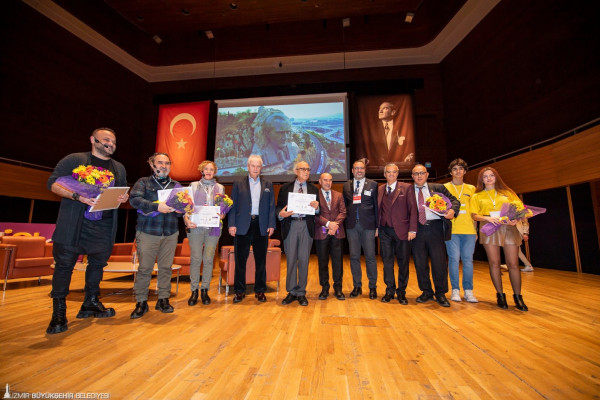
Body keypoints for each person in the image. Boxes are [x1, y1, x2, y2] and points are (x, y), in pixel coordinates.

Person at [46, 127, 128, 334]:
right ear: (93, 140)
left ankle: (90, 302)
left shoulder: (118, 168)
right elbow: (53, 184)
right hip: (74, 224)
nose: (111, 144)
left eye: (114, 142)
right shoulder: (75, 160)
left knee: (98, 265)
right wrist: (78, 197)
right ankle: (58, 312)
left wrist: (123, 197)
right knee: (64, 266)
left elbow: (120, 191)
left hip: (104, 225)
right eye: (106, 140)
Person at [129, 153, 181, 318]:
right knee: (145, 268)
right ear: (152, 164)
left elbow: (184, 208)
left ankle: (163, 299)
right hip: (148, 232)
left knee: (166, 268)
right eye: (160, 163)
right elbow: (134, 200)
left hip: (170, 232)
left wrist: (182, 209)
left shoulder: (176, 185)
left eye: (167, 163)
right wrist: (156, 207)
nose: (164, 166)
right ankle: (141, 302)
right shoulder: (143, 182)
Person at [470, 167, 529, 311]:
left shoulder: (508, 193)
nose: (489, 178)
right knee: (494, 263)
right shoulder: (477, 196)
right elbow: (474, 215)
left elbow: (521, 210)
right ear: (481, 180)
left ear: (496, 177)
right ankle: (500, 295)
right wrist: (487, 218)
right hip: (489, 227)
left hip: (508, 228)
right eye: (485, 176)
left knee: (513, 264)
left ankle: (518, 297)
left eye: (491, 175)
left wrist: (515, 219)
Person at [409, 164, 460, 307]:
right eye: (416, 174)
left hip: (436, 228)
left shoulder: (438, 188)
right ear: (412, 176)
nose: (419, 176)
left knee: (439, 262)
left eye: (422, 173)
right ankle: (426, 291)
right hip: (417, 230)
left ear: (427, 175)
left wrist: (453, 211)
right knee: (420, 263)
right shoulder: (408, 191)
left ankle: (440, 293)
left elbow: (455, 201)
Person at [228, 155, 276, 303]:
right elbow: (232, 205)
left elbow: (271, 206)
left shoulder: (268, 184)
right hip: (242, 226)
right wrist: (231, 224)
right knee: (240, 261)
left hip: (261, 226)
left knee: (261, 261)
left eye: (258, 166)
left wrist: (271, 224)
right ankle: (239, 291)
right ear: (248, 167)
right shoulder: (238, 183)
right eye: (253, 166)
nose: (255, 169)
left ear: (261, 168)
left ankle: (260, 291)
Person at [184, 160, 228, 306]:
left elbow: (222, 207)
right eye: (206, 169)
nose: (208, 171)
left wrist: (222, 214)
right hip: (196, 226)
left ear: (214, 172)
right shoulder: (193, 185)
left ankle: (205, 290)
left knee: (208, 259)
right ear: (202, 170)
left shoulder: (220, 188)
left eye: (211, 169)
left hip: (213, 228)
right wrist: (186, 219)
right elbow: (187, 206)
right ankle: (194, 291)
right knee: (196, 259)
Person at [276, 161, 320, 306]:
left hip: (306, 226)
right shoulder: (285, 188)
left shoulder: (313, 189)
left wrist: (317, 207)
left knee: (304, 260)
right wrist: (281, 214)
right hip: (291, 225)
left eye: (308, 169)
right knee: (291, 260)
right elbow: (278, 208)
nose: (306, 172)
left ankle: (301, 292)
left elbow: (318, 210)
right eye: (303, 169)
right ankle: (291, 291)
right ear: (296, 171)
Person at [377, 163, 417, 305]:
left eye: (394, 172)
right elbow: (377, 210)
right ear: (384, 174)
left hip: (403, 231)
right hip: (384, 231)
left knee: (403, 263)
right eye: (388, 172)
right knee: (387, 262)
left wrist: (412, 229)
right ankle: (389, 290)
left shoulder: (407, 188)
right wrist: (377, 227)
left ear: (397, 173)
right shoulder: (380, 189)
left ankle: (401, 292)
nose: (391, 174)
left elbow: (413, 209)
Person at [343, 160, 379, 299]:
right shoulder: (346, 185)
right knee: (354, 257)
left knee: (370, 257)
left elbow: (376, 206)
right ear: (352, 170)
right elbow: (345, 206)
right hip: (352, 226)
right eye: (356, 168)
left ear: (365, 170)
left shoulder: (373, 184)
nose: (359, 170)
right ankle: (357, 286)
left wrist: (377, 226)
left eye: (361, 168)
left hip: (368, 226)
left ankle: (372, 287)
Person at [444, 159, 478, 303]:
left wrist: (475, 230)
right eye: (455, 169)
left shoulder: (471, 189)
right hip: (452, 230)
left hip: (469, 230)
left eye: (460, 169)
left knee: (468, 260)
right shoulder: (444, 187)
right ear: (451, 172)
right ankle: (455, 290)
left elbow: (474, 211)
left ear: (465, 171)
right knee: (453, 259)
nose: (458, 171)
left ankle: (468, 291)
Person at [314, 173, 346, 300]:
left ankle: (338, 289)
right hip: (321, 233)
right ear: (320, 181)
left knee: (338, 262)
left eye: (330, 180)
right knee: (323, 262)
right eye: (325, 180)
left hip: (337, 232)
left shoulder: (339, 195)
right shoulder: (314, 196)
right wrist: (328, 223)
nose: (328, 183)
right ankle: (324, 288)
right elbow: (314, 215)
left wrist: (334, 225)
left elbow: (343, 212)